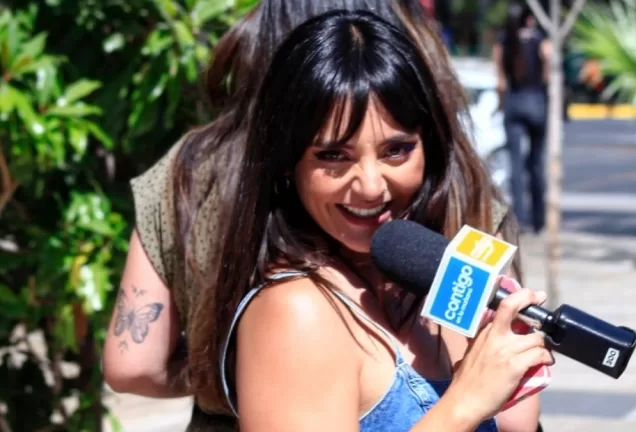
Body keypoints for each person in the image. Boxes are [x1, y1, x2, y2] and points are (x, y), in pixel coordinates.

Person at [102, 1, 535, 431]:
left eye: (397, 150)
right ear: (286, 164)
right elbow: (128, 364)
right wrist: (461, 405)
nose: (371, 185)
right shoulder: (296, 311)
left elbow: (516, 417)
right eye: (333, 156)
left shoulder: (443, 266)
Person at [492, 4, 551, 234]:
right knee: (536, 163)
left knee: (515, 164)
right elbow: (547, 73)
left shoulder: (504, 41)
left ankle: (520, 219)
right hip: (535, 100)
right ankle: (540, 219)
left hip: (514, 101)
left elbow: (500, 81)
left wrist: (501, 105)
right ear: (529, 19)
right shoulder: (539, 40)